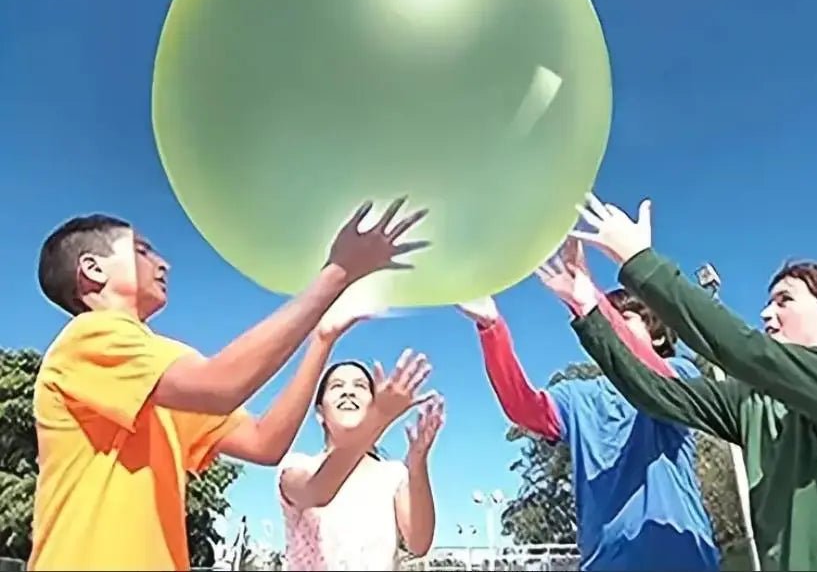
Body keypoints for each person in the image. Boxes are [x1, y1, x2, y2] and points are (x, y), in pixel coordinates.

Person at [29, 197, 429, 572]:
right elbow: (223, 385)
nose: (162, 262)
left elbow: (264, 442)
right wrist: (337, 273)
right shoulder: (88, 339)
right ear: (93, 269)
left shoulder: (160, 374)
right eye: (142, 250)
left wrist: (322, 339)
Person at [566, 192, 817, 572]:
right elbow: (658, 391)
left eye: (784, 301)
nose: (766, 313)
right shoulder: (757, 406)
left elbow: (744, 350)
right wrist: (587, 310)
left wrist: (639, 262)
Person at [456, 240, 719, 572]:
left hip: (682, 559)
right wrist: (491, 327)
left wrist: (588, 299)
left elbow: (651, 373)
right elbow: (522, 407)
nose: (610, 325)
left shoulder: (680, 373)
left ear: (658, 336)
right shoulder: (578, 396)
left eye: (623, 318)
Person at [276, 330, 444, 572]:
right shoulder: (298, 466)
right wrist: (380, 419)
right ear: (320, 413)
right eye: (336, 386)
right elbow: (316, 491)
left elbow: (419, 544)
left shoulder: (392, 474)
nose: (348, 391)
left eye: (360, 386)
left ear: (372, 403)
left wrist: (417, 464)